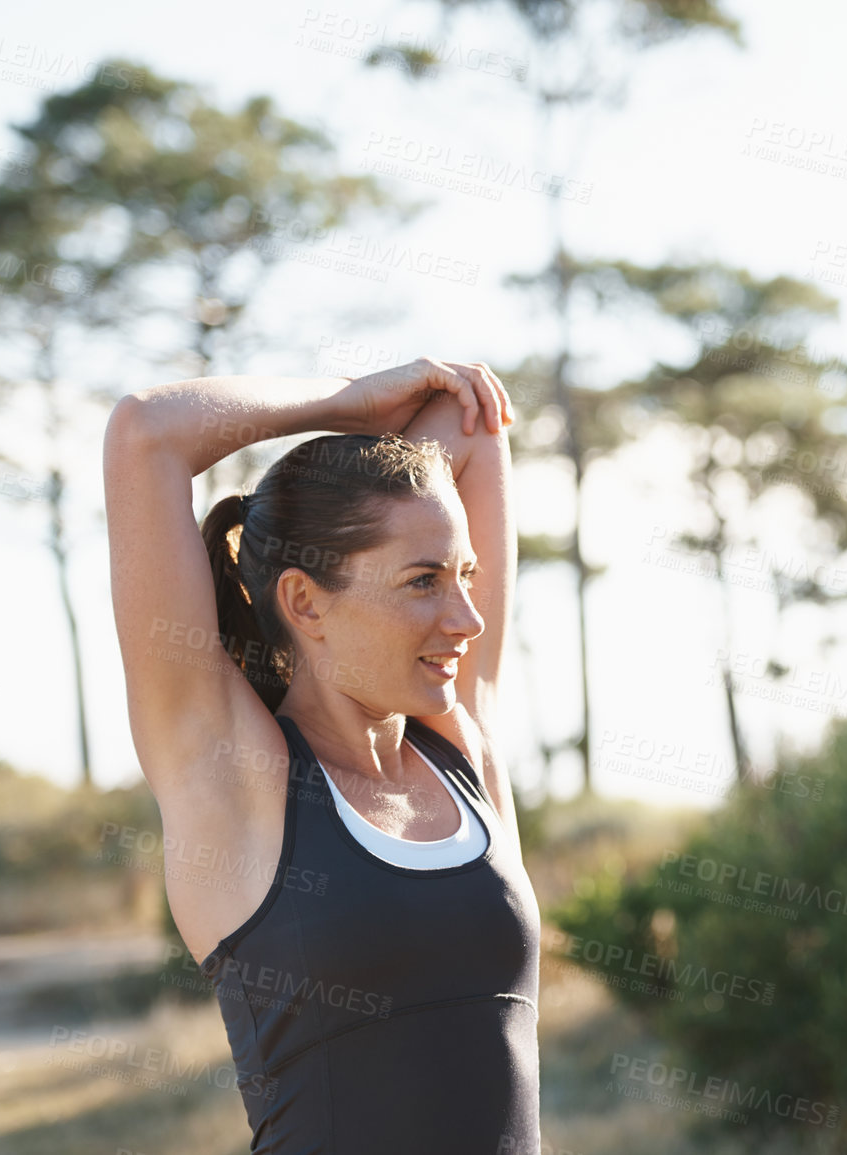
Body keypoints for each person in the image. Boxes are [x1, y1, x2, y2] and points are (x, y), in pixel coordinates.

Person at [103, 358, 541, 1154]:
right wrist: (342, 405)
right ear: (305, 602)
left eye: (467, 575)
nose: (468, 617)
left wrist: (391, 446)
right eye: (423, 581)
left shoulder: (461, 749)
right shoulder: (236, 777)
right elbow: (146, 435)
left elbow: (467, 420)